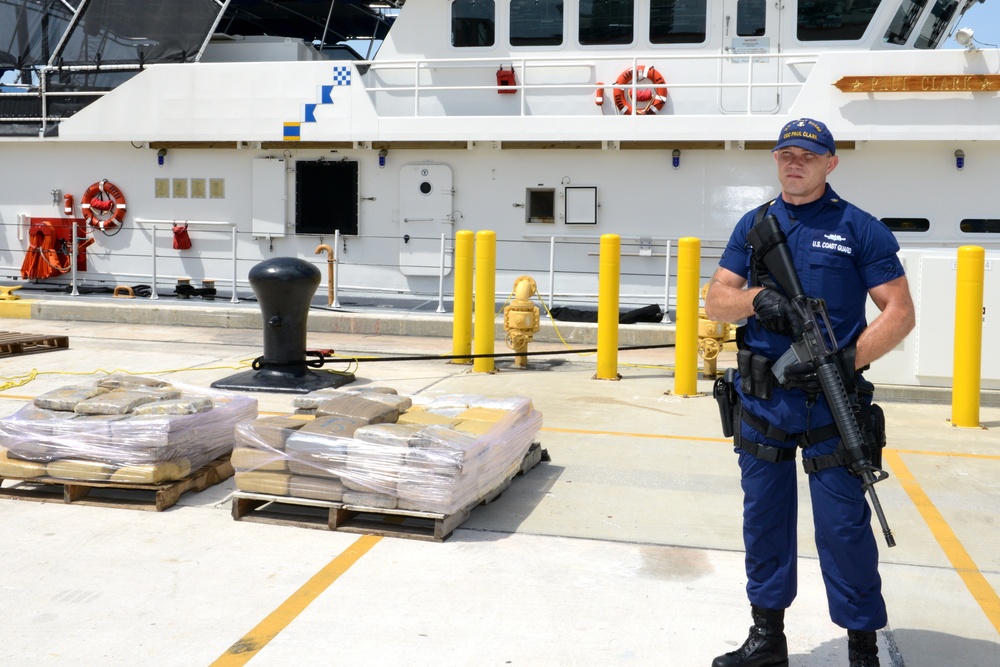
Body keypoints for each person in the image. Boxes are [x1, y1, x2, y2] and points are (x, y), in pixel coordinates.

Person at [704, 118, 916, 667]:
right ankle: (767, 638)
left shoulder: (859, 228)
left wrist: (846, 362)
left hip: (831, 403)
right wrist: (757, 302)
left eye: (807, 154)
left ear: (830, 163)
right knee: (765, 521)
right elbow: (715, 300)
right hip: (762, 402)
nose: (793, 162)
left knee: (845, 530)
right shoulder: (753, 226)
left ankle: (862, 647)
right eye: (785, 154)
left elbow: (899, 313)